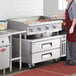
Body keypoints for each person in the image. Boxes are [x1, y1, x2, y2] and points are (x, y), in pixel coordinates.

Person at [65, 0, 76, 65]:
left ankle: (74, 60)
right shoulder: (69, 4)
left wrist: (72, 27)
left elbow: (75, 18)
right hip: (69, 24)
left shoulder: (74, 4)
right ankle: (70, 59)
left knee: (73, 42)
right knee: (70, 42)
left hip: (73, 25)